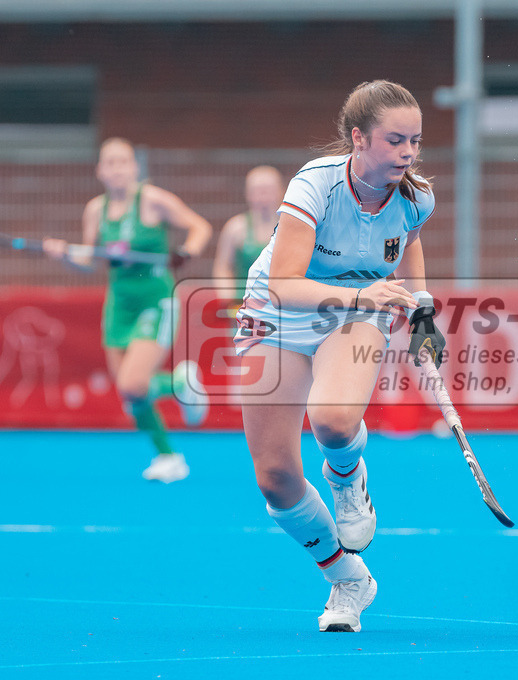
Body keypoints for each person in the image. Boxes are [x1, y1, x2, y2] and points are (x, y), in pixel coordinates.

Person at [233, 80, 445, 633]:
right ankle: (347, 577)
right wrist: (361, 293)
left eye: (415, 141)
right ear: (358, 138)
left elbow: (409, 238)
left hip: (355, 312)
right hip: (280, 308)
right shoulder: (315, 186)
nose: (408, 152)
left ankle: (348, 477)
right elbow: (283, 283)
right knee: (275, 476)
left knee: (331, 421)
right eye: (395, 140)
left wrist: (421, 313)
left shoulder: (416, 195)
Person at [43, 137, 212, 483]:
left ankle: (179, 383)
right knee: (128, 391)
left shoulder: (152, 200)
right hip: (119, 304)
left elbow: (200, 227)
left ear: (135, 167)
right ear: (100, 171)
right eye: (110, 163)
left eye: (123, 161)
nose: (117, 168)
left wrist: (186, 251)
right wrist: (63, 253)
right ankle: (168, 456)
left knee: (134, 382)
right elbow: (91, 261)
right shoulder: (95, 210)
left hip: (155, 300)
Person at [212, 165, 285, 305]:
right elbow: (222, 266)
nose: (263, 197)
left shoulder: (291, 228)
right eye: (257, 191)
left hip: (281, 304)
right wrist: (227, 294)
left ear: (281, 191)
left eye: (269, 191)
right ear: (247, 194)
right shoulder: (236, 228)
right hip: (244, 304)